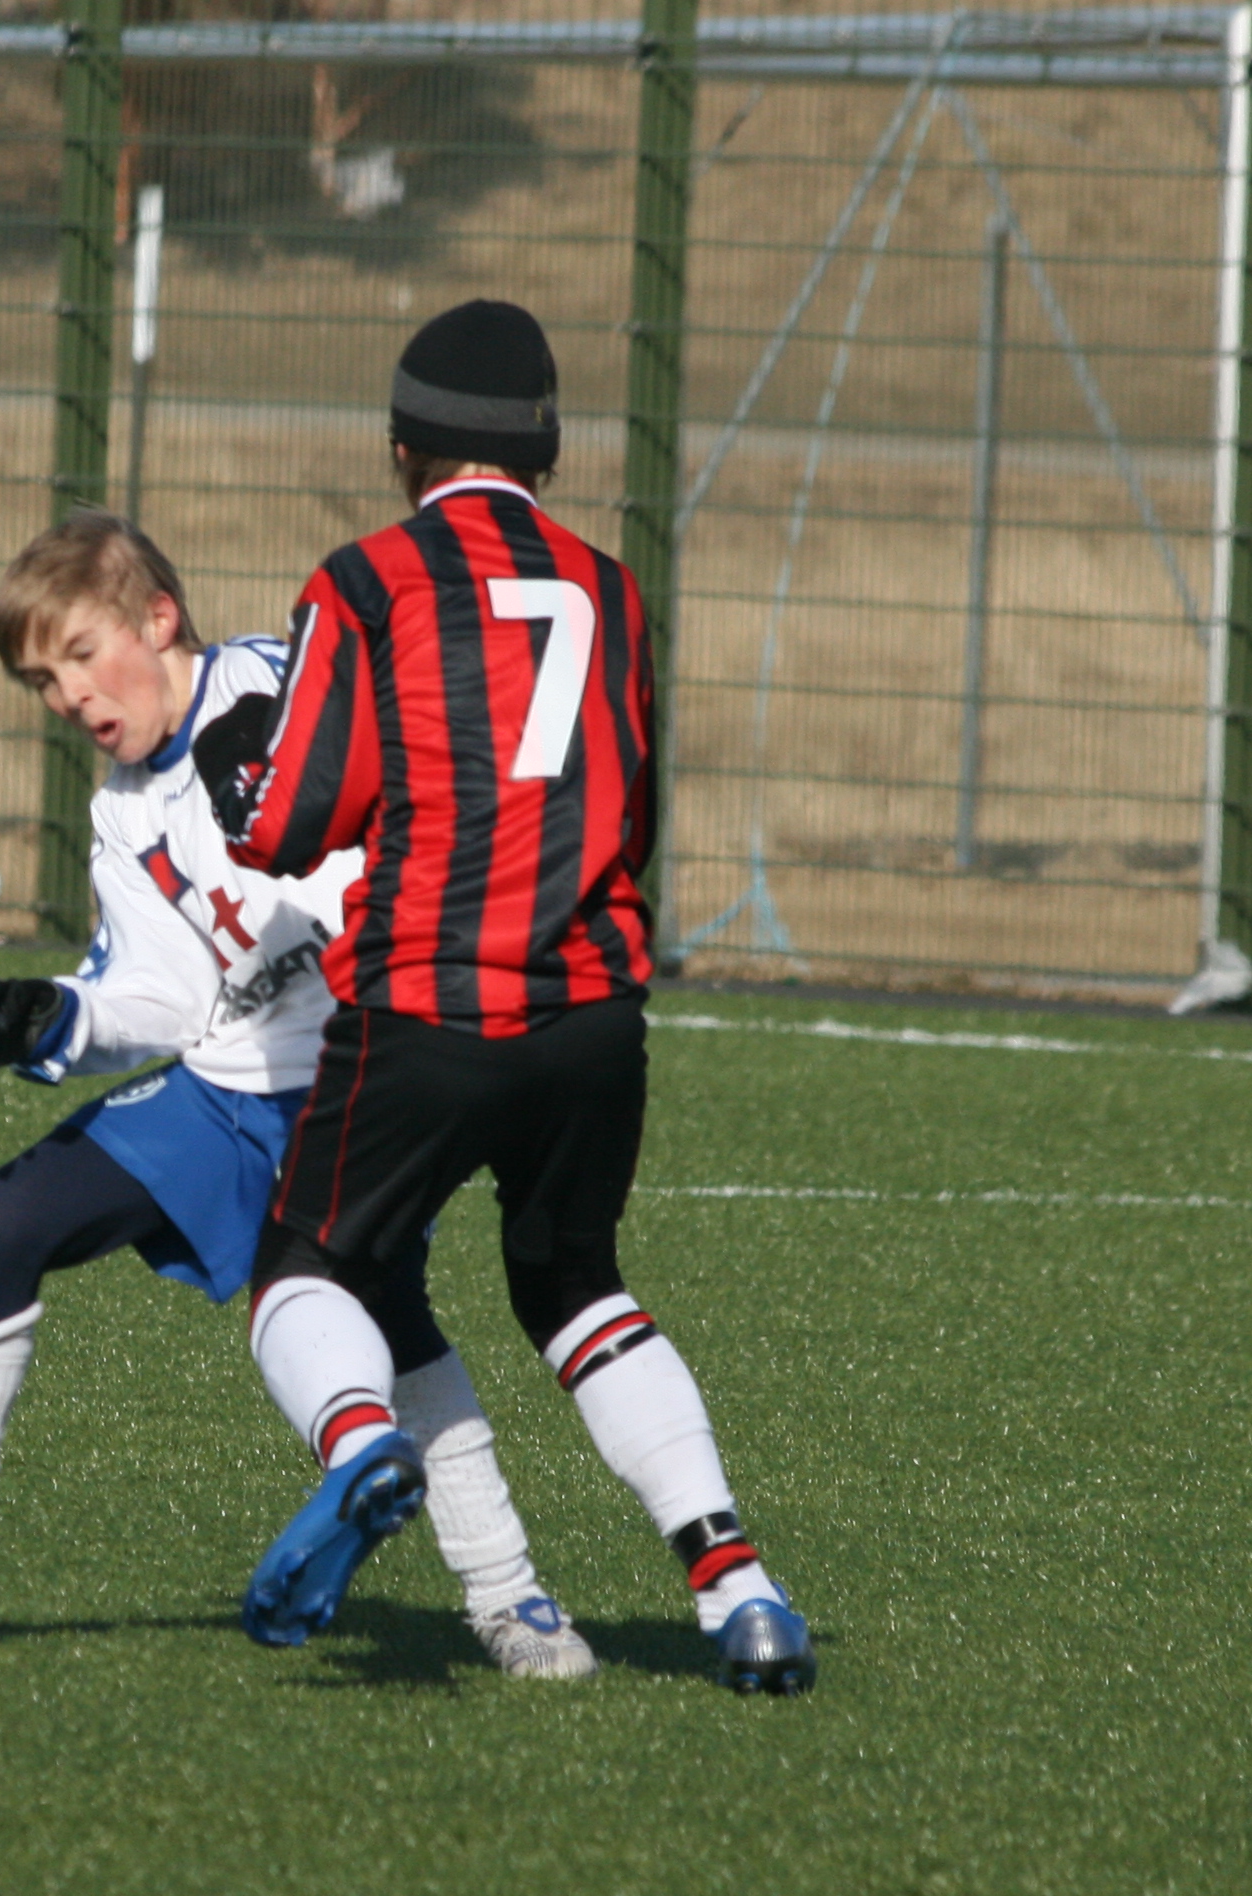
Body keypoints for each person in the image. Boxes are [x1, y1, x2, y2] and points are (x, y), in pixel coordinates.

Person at [0, 510, 595, 1679]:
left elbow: (403, 817)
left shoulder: (282, 690)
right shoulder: (121, 809)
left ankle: (511, 1601)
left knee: (388, 1316)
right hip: (228, 1092)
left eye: (82, 654)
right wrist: (62, 1018)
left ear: (159, 619)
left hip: (365, 1079)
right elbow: (160, 994)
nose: (71, 696)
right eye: (44, 682)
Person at [204, 298, 814, 1695]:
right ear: (546, 450)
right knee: (572, 1284)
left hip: (427, 1002)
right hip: (593, 1013)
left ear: (401, 448)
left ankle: (363, 1448)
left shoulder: (367, 581)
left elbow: (291, 820)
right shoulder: (615, 589)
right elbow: (632, 817)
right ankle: (738, 1584)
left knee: (303, 1268)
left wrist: (244, 763)